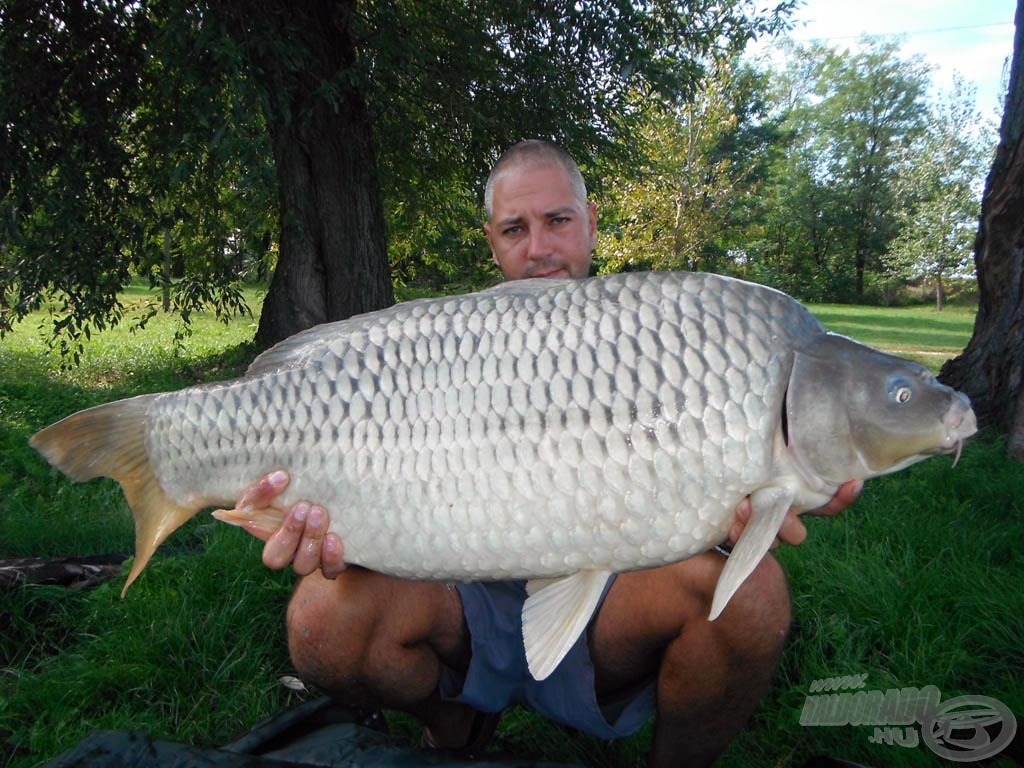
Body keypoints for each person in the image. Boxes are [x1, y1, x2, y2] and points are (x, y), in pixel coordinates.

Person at [235, 140, 861, 766]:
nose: (538, 248)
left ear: (589, 223)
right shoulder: (438, 349)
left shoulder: (664, 332)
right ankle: (456, 728)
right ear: (492, 240)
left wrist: (748, 506)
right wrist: (313, 521)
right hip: (459, 593)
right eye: (515, 228)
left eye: (558, 221)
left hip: (619, 590)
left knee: (754, 597)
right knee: (320, 618)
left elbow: (717, 469)